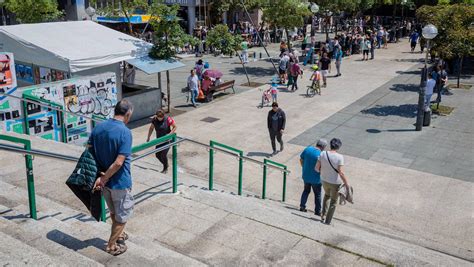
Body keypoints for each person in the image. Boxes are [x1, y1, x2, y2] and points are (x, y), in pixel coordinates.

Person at [91, 99, 134, 256]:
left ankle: (120, 234)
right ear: (127, 114)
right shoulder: (125, 132)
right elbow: (118, 163)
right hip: (120, 182)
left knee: (114, 212)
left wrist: (101, 176)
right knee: (122, 217)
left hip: (105, 183)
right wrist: (104, 178)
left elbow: (89, 151)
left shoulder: (98, 128)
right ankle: (111, 245)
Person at [316, 138, 349, 225]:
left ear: (330, 145)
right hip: (335, 182)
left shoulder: (323, 153)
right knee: (333, 201)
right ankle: (328, 221)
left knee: (327, 196)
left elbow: (316, 168)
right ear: (338, 147)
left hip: (324, 180)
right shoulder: (340, 157)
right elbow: (341, 172)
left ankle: (323, 215)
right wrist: (346, 183)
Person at [299, 139, 328, 215]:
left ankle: (302, 206)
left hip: (306, 175)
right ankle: (317, 211)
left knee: (306, 190)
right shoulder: (321, 155)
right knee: (317, 194)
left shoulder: (308, 149)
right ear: (324, 146)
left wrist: (304, 167)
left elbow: (301, 159)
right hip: (316, 179)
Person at [146, 109, 177, 174]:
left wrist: (169, 134)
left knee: (163, 154)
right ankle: (166, 164)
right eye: (158, 117)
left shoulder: (168, 119)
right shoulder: (154, 120)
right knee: (157, 155)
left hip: (167, 140)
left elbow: (175, 127)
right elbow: (151, 128)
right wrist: (148, 137)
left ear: (163, 116)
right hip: (159, 140)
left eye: (161, 118)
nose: (160, 119)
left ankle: (165, 168)